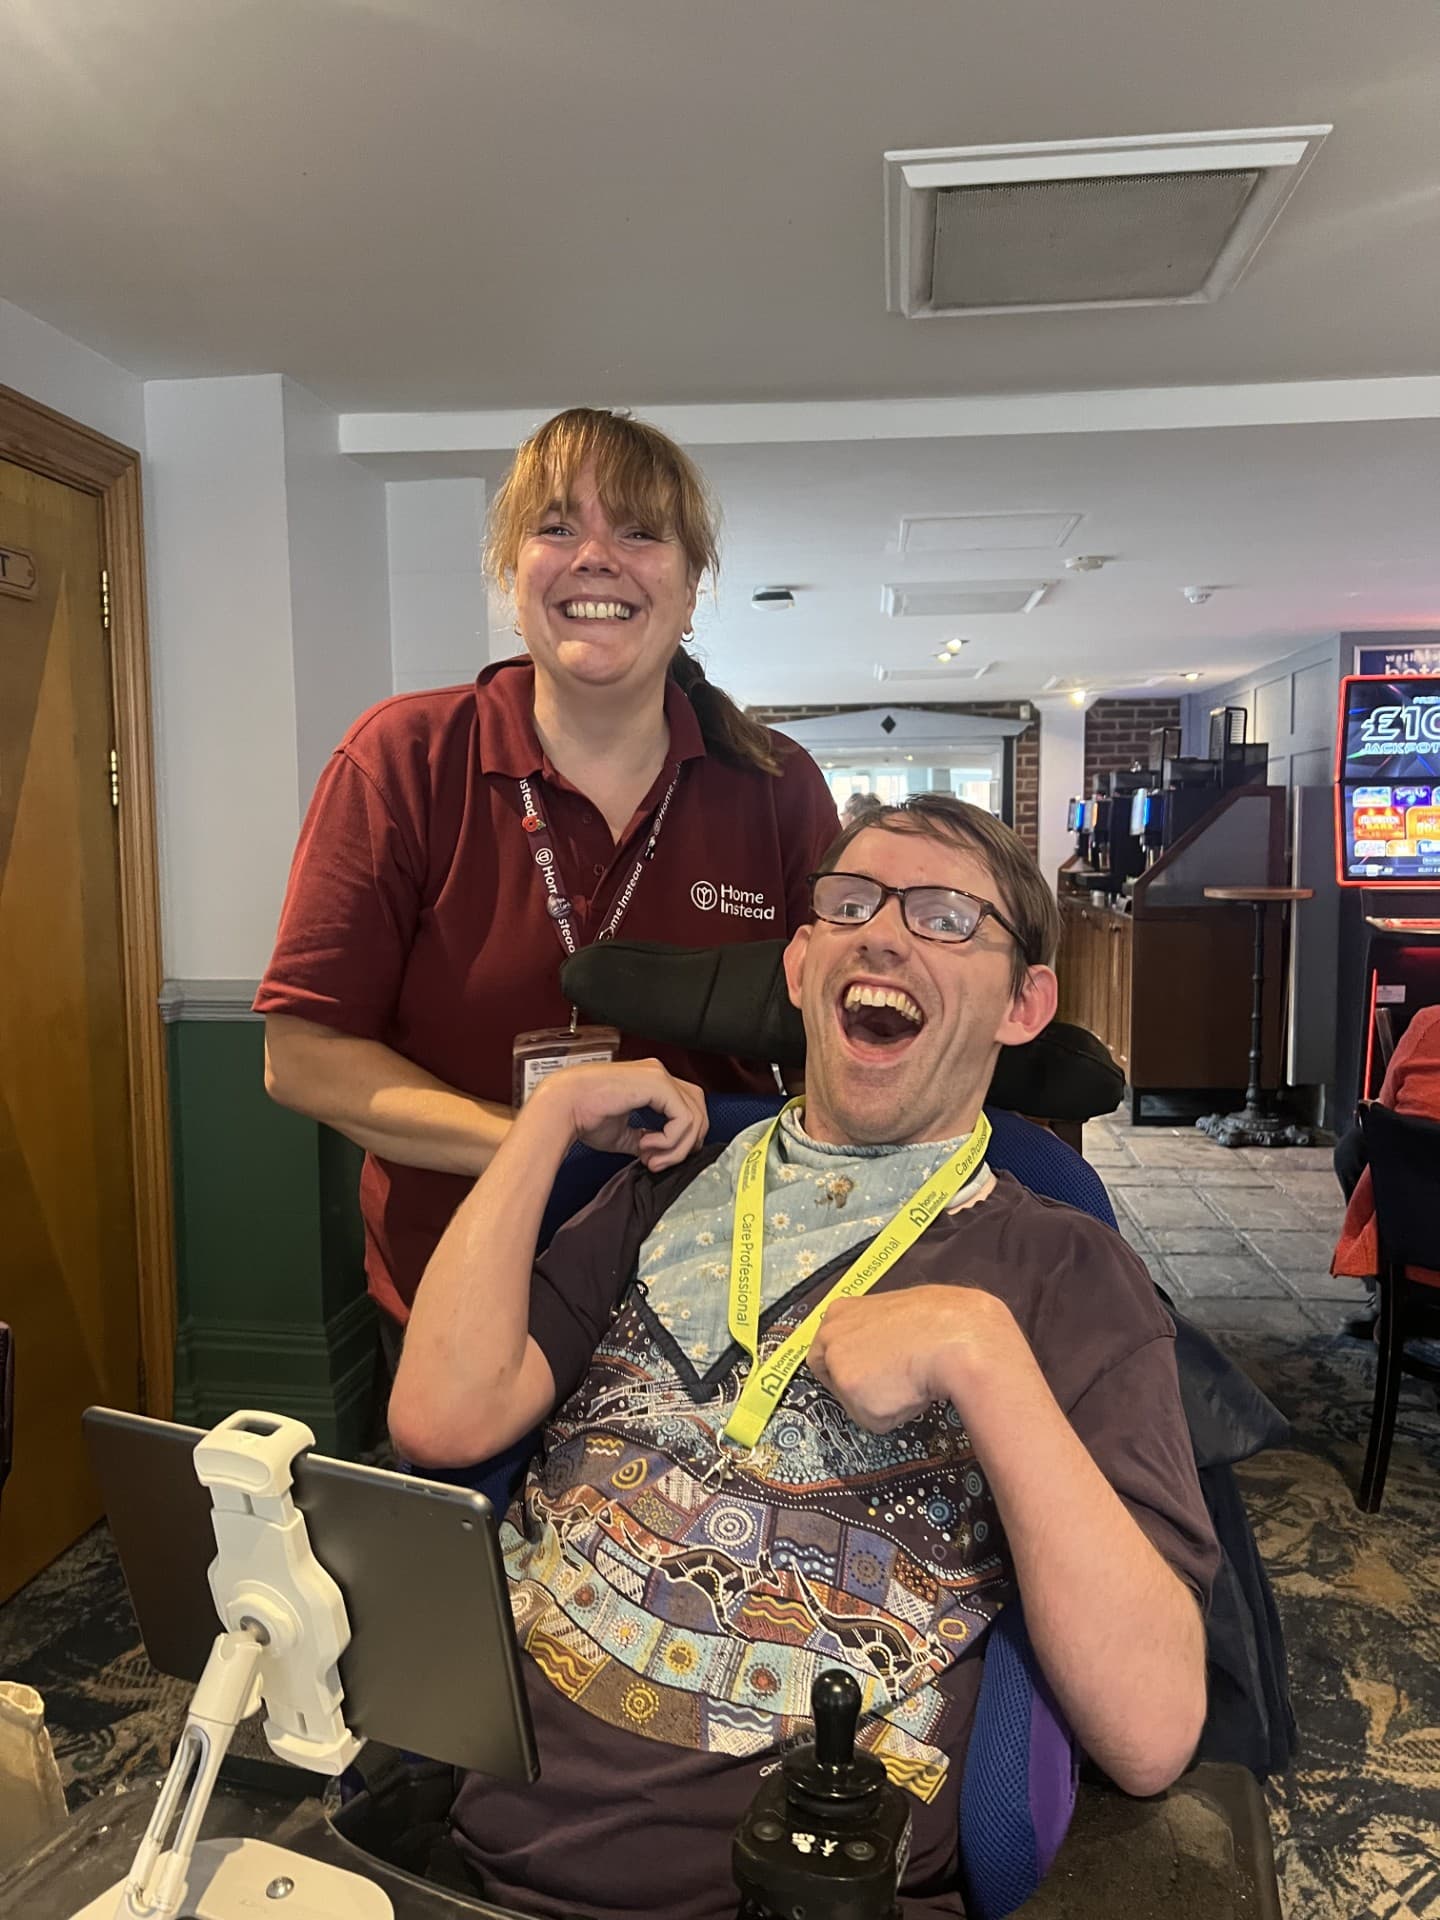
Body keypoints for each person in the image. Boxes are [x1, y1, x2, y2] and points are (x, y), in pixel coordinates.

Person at [390, 796, 1218, 1920]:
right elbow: (438, 1419)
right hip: (471, 1861)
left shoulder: (1066, 1270)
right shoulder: (673, 1185)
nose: (884, 933)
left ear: (1024, 1005)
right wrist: (548, 1124)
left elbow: (1156, 1728)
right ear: (798, 964)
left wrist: (982, 1356)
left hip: (809, 1891)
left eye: (943, 917)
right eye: (852, 904)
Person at [255, 408, 839, 1343]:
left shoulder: (775, 785)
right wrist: (546, 1138)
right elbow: (303, 1059)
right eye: (559, 526)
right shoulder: (402, 760)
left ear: (692, 591)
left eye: (641, 532)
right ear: (510, 573)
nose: (597, 557)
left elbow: (838, 1032)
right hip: (457, 1287)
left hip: (713, 1291)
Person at [1332, 1002, 1440, 1313]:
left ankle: (1387, 1299)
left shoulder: (1428, 1024)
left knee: (1355, 1148)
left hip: (1410, 1262)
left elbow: (1382, 1109)